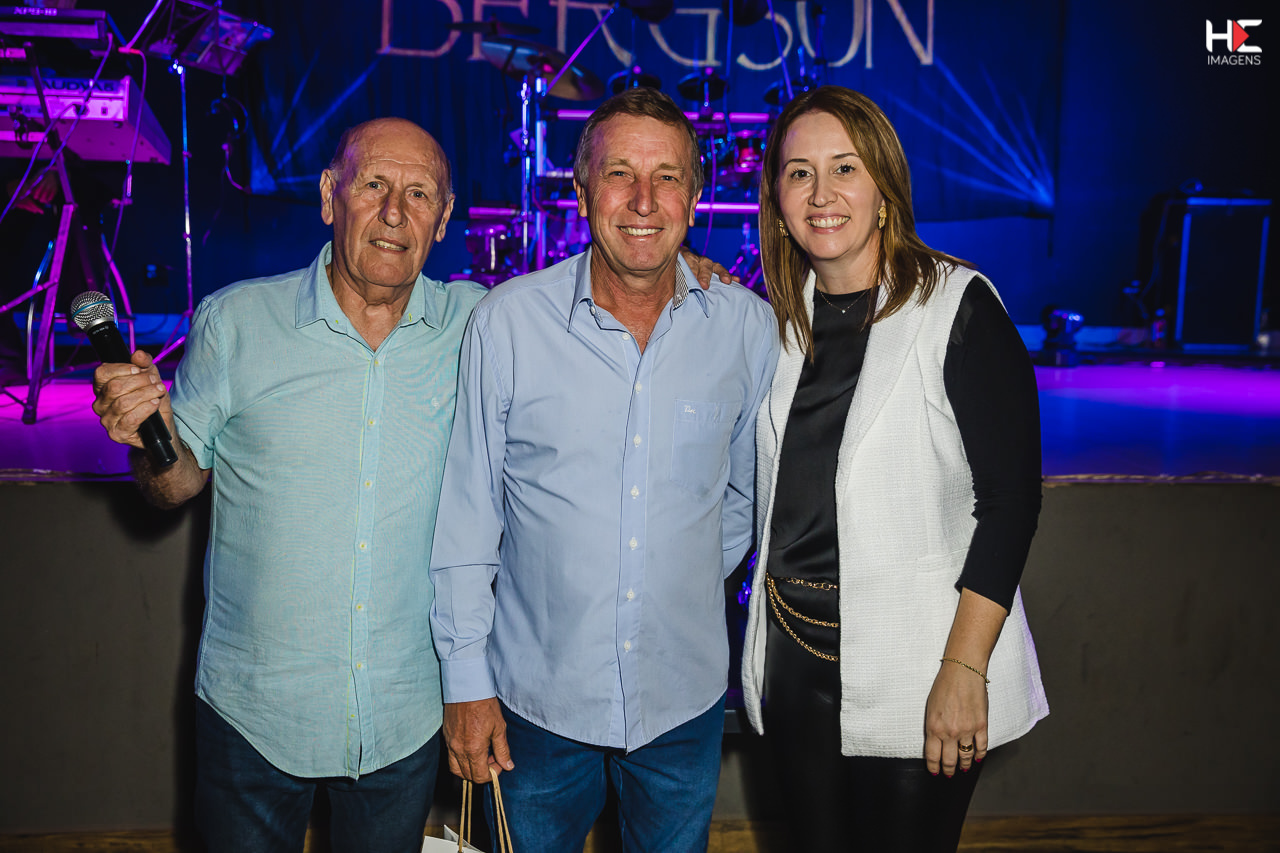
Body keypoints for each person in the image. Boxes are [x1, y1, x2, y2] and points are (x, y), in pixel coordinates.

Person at [90, 117, 484, 853]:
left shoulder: (479, 325)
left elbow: (593, 296)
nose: (394, 212)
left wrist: (685, 271)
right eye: (373, 184)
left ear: (443, 218)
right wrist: (150, 435)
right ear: (331, 196)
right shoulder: (237, 321)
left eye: (419, 194)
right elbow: (174, 486)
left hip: (403, 711)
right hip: (256, 710)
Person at [429, 87, 779, 853]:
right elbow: (467, 517)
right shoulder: (508, 324)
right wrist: (465, 682)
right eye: (620, 173)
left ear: (694, 195)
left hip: (681, 704)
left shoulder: (747, 329)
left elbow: (745, 498)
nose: (644, 200)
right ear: (583, 193)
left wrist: (674, 576)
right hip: (534, 708)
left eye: (667, 177)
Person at [740, 86, 1049, 851]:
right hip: (794, 663)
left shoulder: (957, 307)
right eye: (799, 172)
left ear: (884, 188)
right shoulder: (775, 320)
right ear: (777, 201)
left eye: (844, 167)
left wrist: (964, 667)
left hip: (921, 663)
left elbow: (1010, 504)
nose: (821, 193)